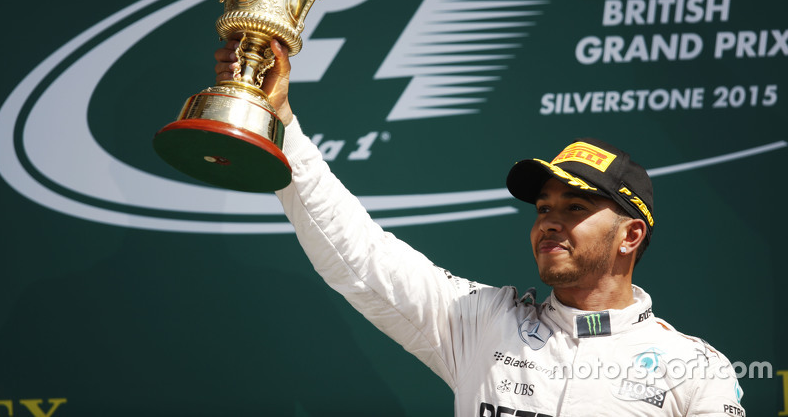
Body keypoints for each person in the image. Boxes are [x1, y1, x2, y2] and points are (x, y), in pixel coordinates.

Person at [215, 39, 746, 416]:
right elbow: (359, 253)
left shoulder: (692, 368)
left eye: (575, 208)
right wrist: (280, 122)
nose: (551, 223)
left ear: (630, 236)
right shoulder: (483, 323)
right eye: (543, 208)